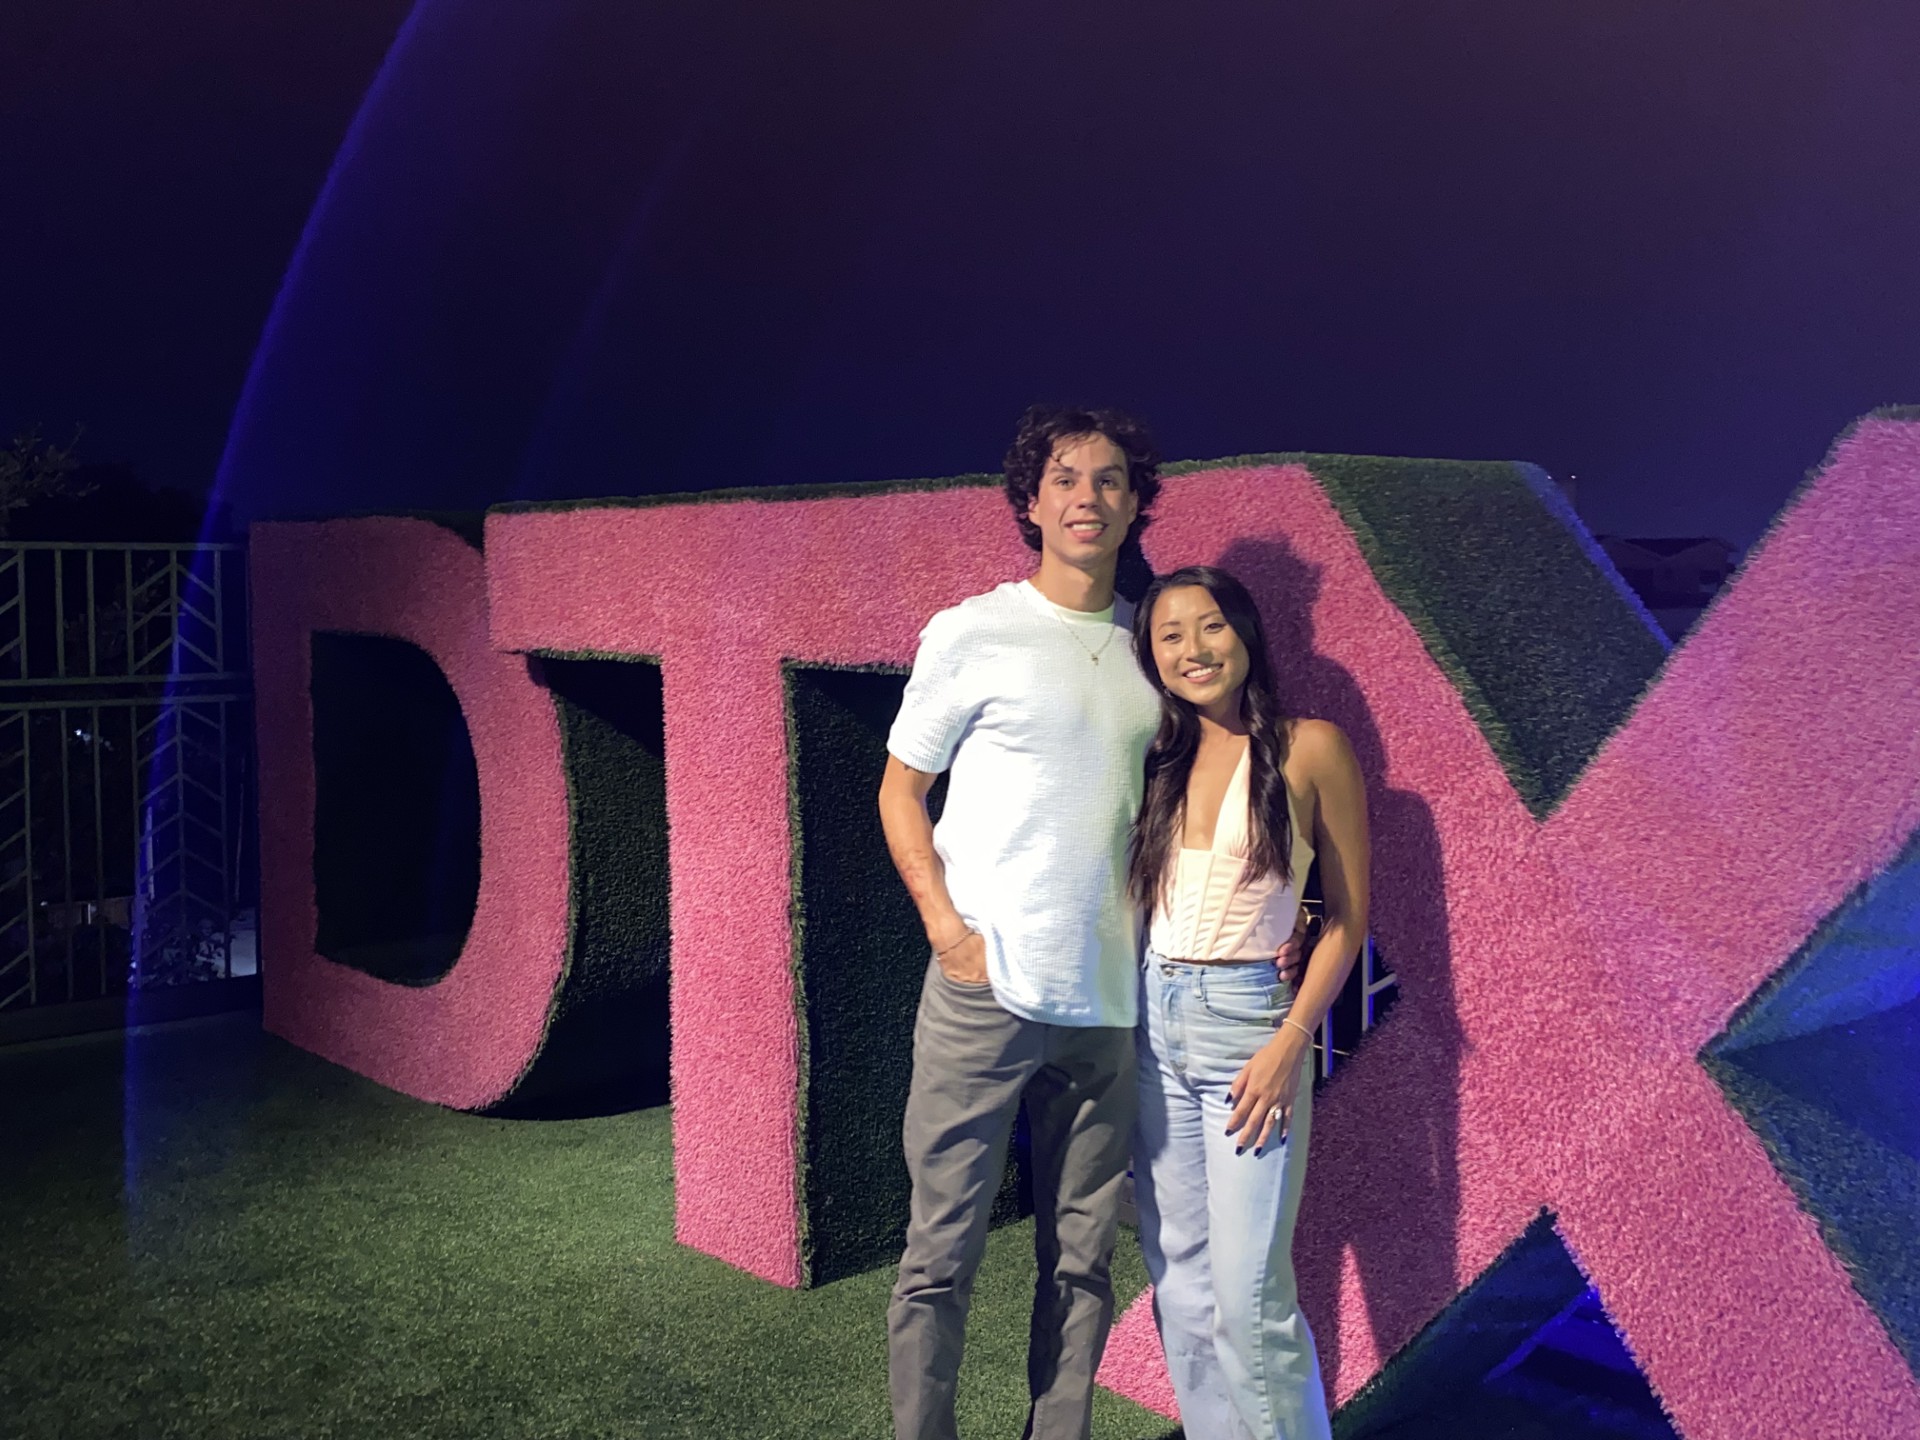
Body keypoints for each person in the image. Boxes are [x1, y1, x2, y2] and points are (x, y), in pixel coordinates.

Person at [878, 404, 1165, 1440]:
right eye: (1066, 478)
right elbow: (901, 788)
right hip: (982, 992)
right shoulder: (973, 632)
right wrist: (948, 934)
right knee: (940, 1251)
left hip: (1107, 1003)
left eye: (1109, 479)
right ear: (1031, 501)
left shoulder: (1154, 647)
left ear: (1135, 504)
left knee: (1082, 1258)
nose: (1087, 497)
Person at [1127, 565, 1370, 1440]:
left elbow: (1346, 920)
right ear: (1152, 658)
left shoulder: (1312, 747)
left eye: (1211, 626)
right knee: (1183, 1286)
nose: (1194, 649)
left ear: (1247, 632)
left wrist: (1290, 1038)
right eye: (1171, 635)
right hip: (1153, 1026)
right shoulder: (1154, 756)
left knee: (1249, 1296)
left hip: (1249, 1030)